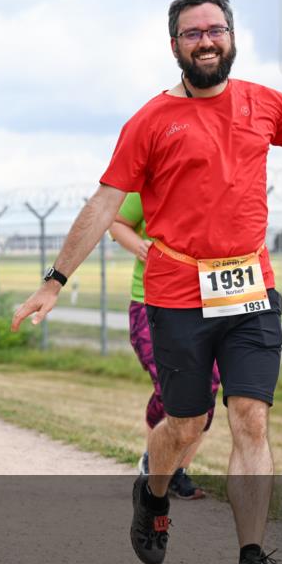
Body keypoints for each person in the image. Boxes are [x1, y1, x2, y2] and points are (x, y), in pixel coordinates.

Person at [12, 0, 282, 564]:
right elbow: (104, 206)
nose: (206, 41)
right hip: (176, 296)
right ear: (175, 46)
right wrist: (54, 280)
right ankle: (153, 491)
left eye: (215, 30)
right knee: (187, 422)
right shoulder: (150, 121)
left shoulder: (264, 103)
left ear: (232, 37)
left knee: (250, 417)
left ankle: (251, 562)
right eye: (193, 33)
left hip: (250, 287)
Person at [110, 192, 220, 500]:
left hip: (205, 303)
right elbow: (116, 222)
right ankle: (154, 462)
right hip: (150, 303)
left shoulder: (215, 185)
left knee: (208, 389)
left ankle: (177, 471)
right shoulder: (150, 185)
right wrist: (140, 247)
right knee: (170, 387)